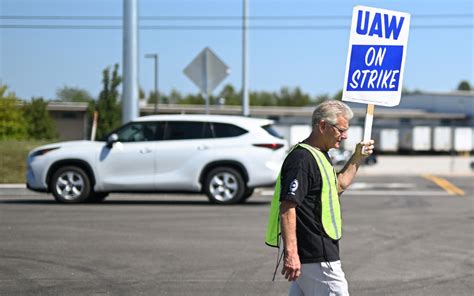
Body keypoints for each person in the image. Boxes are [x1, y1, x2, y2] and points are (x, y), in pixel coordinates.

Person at [265, 100, 375, 296]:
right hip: (316, 255)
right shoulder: (302, 159)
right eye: (341, 129)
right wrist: (291, 253)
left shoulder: (320, 155)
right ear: (323, 126)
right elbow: (288, 206)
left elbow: (338, 186)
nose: (345, 135)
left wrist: (358, 156)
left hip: (317, 254)